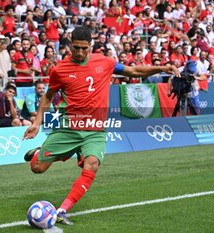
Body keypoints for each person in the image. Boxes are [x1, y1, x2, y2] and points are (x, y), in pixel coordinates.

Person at [22, 27, 180, 225]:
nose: (80, 53)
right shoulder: (59, 70)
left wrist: (162, 68)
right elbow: (48, 97)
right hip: (68, 127)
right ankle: (42, 152)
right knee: (37, 168)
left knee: (92, 164)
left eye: (84, 48)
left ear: (91, 46)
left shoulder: (104, 62)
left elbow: (134, 70)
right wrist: (37, 124)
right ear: (70, 44)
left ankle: (62, 210)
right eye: (76, 48)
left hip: (94, 129)